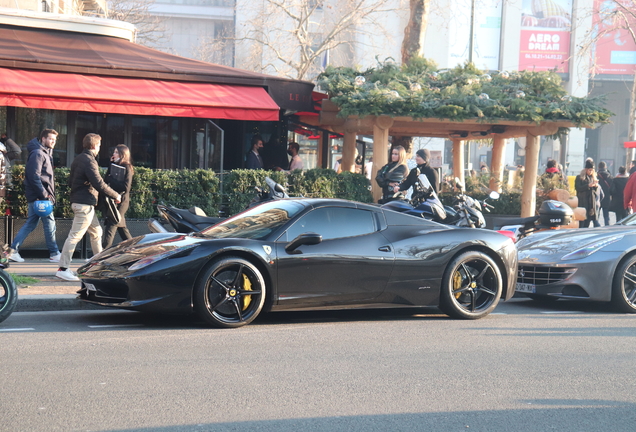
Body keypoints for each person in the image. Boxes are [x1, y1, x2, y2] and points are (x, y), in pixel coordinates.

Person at [56, 133, 121, 281]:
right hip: (85, 204)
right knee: (74, 236)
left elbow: (70, 181)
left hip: (81, 202)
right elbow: (99, 183)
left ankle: (98, 265)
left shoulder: (78, 159)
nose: (99, 148)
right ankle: (63, 268)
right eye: (99, 146)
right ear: (94, 146)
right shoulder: (89, 161)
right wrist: (115, 195)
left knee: (97, 232)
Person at [7, 129, 61, 263]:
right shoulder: (38, 153)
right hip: (40, 197)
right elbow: (34, 176)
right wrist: (45, 195)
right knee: (49, 223)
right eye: (50, 139)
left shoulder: (43, 153)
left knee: (31, 223)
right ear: (43, 139)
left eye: (54, 140)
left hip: (38, 196)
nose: (53, 142)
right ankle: (54, 252)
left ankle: (13, 251)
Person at [102, 144, 134, 249]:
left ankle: (103, 252)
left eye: (116, 152)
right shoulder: (113, 165)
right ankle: (133, 247)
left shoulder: (127, 167)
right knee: (122, 227)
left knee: (112, 224)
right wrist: (111, 164)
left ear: (122, 154)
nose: (114, 154)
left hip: (122, 201)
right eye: (114, 152)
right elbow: (105, 180)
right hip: (113, 199)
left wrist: (112, 180)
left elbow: (126, 187)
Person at [575, 159, 602, 228]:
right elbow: (578, 188)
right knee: (581, 223)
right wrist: (588, 185)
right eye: (589, 170)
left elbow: (595, 192)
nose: (591, 172)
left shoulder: (593, 178)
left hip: (591, 203)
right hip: (582, 202)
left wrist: (595, 186)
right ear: (586, 169)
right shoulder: (580, 177)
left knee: (588, 222)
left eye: (592, 170)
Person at [596, 161, 613, 226]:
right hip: (607, 198)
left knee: (597, 215)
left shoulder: (596, 176)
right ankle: (607, 226)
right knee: (606, 215)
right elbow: (612, 188)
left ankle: (596, 227)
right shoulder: (609, 176)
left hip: (598, 198)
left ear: (598, 167)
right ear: (605, 167)